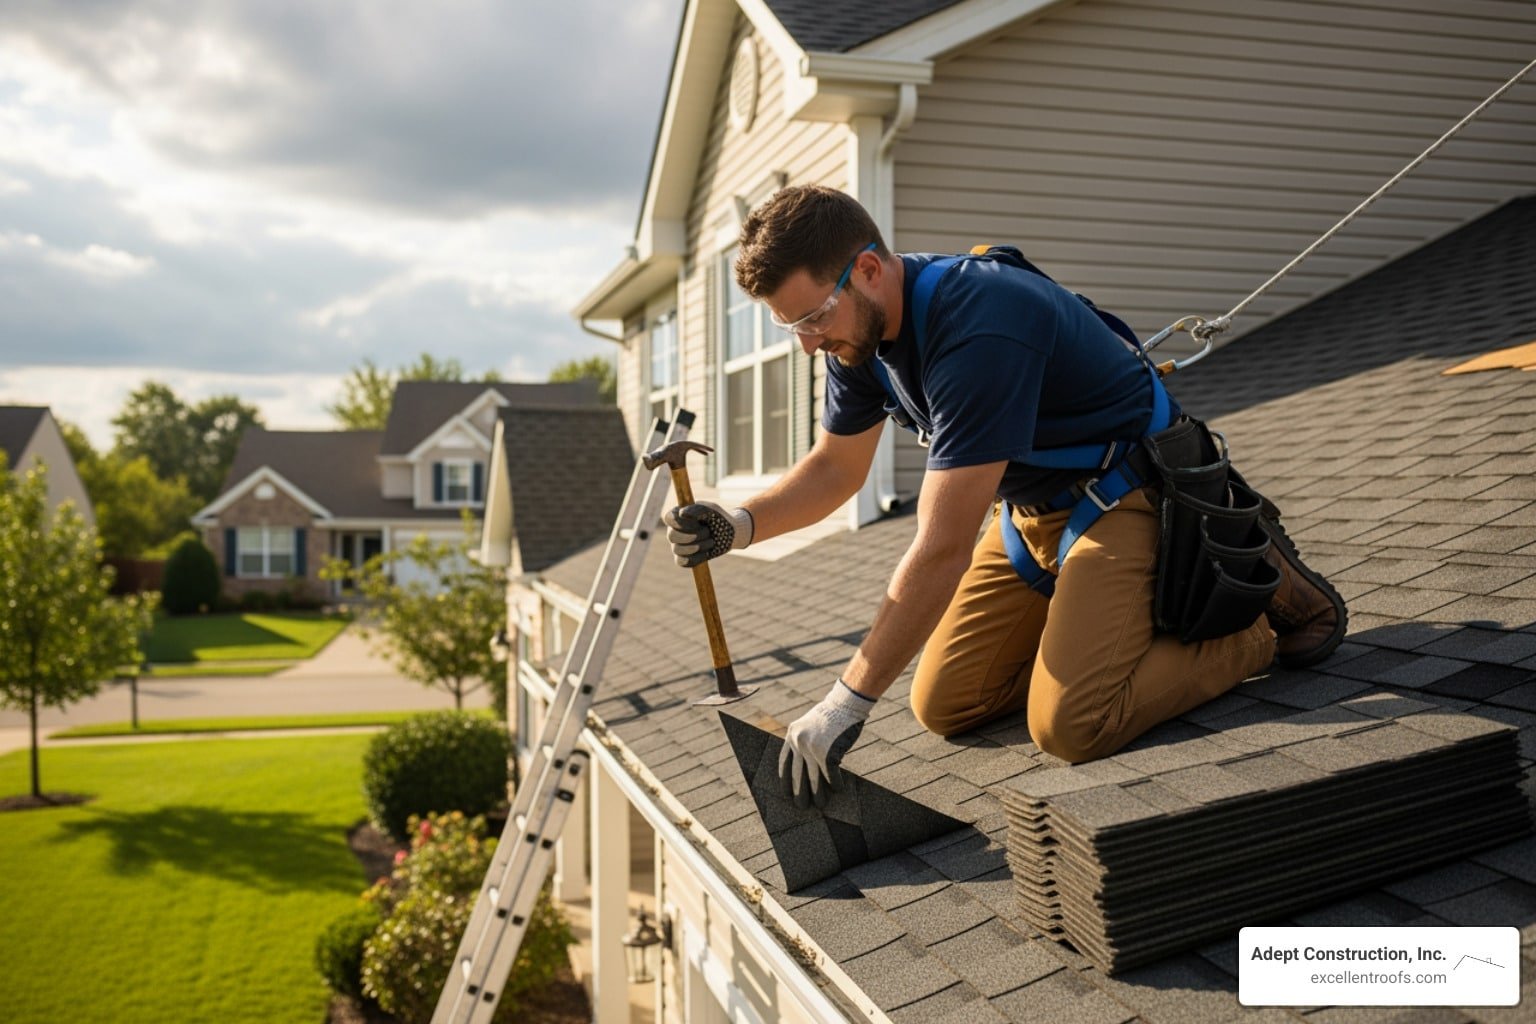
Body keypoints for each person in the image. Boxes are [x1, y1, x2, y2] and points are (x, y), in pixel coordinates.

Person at [664, 185, 1345, 807]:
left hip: (1129, 493)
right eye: (793, 327)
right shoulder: (856, 337)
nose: (809, 343)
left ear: (868, 268)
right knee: (945, 704)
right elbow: (836, 470)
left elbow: (941, 549)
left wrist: (844, 705)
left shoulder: (978, 323)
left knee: (1073, 724)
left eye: (812, 316)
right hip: (1030, 512)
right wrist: (739, 525)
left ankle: (1250, 617)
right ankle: (1113, 633)